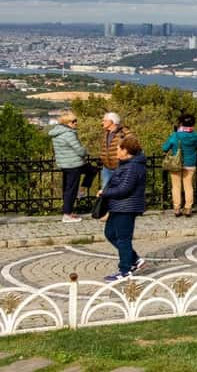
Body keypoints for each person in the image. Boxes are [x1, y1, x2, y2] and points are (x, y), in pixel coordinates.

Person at [99, 134, 147, 281]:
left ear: (126, 151)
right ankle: (135, 259)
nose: (117, 152)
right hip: (118, 206)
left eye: (119, 149)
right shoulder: (126, 165)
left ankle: (125, 270)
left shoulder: (132, 167)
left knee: (123, 238)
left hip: (126, 207)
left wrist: (105, 192)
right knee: (110, 233)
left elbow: (125, 189)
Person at [50, 111, 88, 223]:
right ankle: (67, 214)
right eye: (74, 121)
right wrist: (85, 151)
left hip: (64, 164)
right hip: (73, 164)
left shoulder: (57, 132)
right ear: (67, 122)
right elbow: (79, 150)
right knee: (71, 190)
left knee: (68, 188)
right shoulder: (69, 134)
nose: (76, 123)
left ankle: (70, 210)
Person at [162, 113, 197, 217]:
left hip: (176, 163)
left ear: (181, 123)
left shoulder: (176, 135)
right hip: (190, 163)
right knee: (188, 186)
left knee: (176, 186)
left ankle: (177, 208)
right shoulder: (196, 135)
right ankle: (188, 208)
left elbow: (165, 148)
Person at [93, 113, 129, 194]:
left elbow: (131, 146)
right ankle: (106, 207)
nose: (102, 123)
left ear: (112, 122)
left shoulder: (124, 133)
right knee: (105, 191)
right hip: (107, 167)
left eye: (104, 120)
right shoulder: (106, 133)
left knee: (119, 191)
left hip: (119, 167)